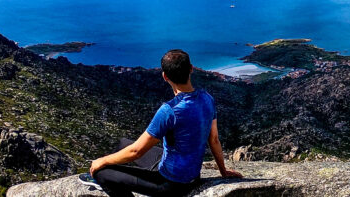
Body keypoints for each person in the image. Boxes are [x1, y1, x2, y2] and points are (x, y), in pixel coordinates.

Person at [78, 49, 242, 197]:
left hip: (170, 185)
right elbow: (214, 140)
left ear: (165, 76)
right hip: (192, 176)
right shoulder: (207, 98)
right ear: (191, 68)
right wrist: (223, 171)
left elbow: (137, 152)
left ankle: (111, 181)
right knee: (122, 143)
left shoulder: (169, 110)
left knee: (101, 172)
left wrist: (102, 161)